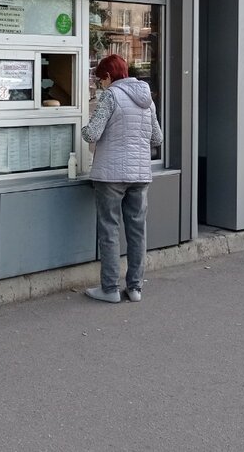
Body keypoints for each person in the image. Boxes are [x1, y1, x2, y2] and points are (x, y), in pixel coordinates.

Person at [82, 54, 163, 303]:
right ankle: (135, 288)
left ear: (109, 76)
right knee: (137, 231)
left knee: (109, 230)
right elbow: (157, 138)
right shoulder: (147, 99)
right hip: (140, 175)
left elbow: (92, 134)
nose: (100, 84)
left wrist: (82, 127)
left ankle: (109, 289)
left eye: (100, 79)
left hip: (111, 176)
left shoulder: (111, 96)